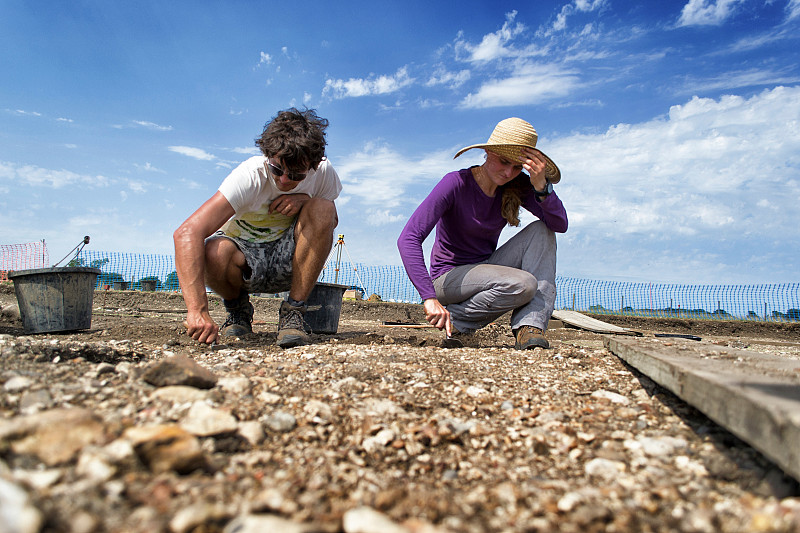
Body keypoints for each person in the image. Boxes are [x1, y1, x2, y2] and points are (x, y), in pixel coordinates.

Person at [174, 107, 341, 348]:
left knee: (323, 208)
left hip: (291, 262)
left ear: (313, 166)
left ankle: (293, 313)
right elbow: (186, 233)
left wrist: (305, 200)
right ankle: (238, 311)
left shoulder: (324, 172)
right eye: (277, 169)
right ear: (268, 155)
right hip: (244, 263)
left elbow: (330, 220)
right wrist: (197, 310)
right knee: (214, 251)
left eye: (295, 175)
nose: (284, 181)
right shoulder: (249, 176)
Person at [397, 117, 568, 349]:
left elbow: (559, 224)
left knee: (542, 230)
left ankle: (530, 326)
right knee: (524, 284)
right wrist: (429, 297)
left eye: (518, 167)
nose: (508, 172)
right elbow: (408, 238)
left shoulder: (518, 186)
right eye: (504, 161)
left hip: (486, 268)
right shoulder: (456, 183)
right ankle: (457, 320)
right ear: (488, 151)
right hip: (448, 279)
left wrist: (542, 188)